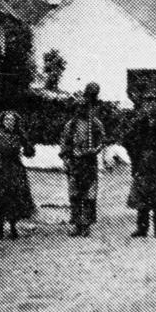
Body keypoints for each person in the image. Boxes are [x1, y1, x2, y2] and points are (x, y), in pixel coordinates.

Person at [122, 91, 156, 238]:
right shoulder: (139, 124)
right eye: (147, 104)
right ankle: (142, 228)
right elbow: (127, 140)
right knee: (142, 197)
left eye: (154, 104)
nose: (150, 107)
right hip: (142, 163)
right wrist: (136, 155)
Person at [59, 84, 108, 236]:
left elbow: (102, 140)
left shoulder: (95, 123)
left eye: (84, 106)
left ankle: (86, 225)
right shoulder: (71, 125)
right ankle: (76, 224)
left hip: (89, 163)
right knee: (74, 195)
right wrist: (66, 159)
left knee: (89, 195)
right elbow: (64, 143)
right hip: (74, 163)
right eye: (78, 107)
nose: (81, 109)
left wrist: (95, 150)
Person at [0, 110, 37, 238]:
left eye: (12, 120)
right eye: (7, 120)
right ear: (2, 121)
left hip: (15, 168)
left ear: (15, 122)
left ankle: (13, 226)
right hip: (1, 168)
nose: (9, 122)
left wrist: (25, 142)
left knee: (15, 196)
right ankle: (1, 227)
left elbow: (30, 152)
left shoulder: (19, 134)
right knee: (1, 196)